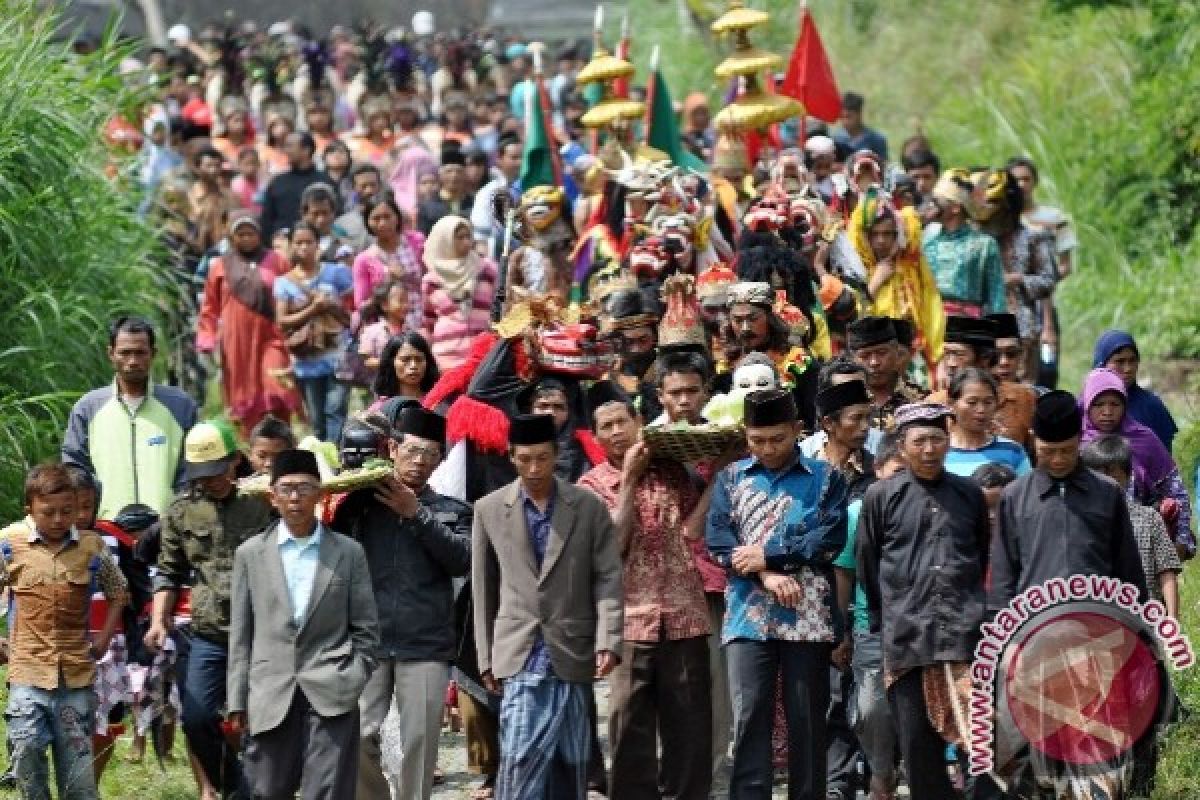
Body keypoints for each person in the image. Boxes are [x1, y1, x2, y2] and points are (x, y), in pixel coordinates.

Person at [471, 413, 624, 799]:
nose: (534, 468)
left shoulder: (588, 508)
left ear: (557, 454)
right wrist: (486, 656)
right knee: (520, 758)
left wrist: (609, 638)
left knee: (570, 761)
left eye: (542, 457)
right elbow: (483, 588)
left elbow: (607, 576)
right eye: (524, 459)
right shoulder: (489, 509)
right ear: (510, 456)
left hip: (573, 648)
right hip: (518, 650)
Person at [706, 389, 849, 799]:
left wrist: (768, 555)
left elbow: (828, 540)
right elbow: (719, 542)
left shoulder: (827, 479)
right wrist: (766, 575)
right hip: (746, 618)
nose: (767, 449)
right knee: (750, 716)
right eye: (757, 440)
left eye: (777, 439)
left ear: (796, 431)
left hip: (809, 619)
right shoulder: (730, 479)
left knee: (807, 719)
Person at [577, 382, 714, 800]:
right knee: (627, 723)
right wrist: (631, 479)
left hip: (684, 613)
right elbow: (612, 546)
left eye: (623, 421)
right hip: (629, 619)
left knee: (690, 726)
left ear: (639, 424)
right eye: (607, 426)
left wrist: (720, 474)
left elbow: (694, 527)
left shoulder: (673, 470)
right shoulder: (590, 486)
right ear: (597, 437)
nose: (617, 431)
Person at [331, 407, 471, 800]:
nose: (419, 461)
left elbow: (462, 559)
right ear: (392, 449)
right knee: (357, 734)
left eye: (430, 454)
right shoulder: (360, 506)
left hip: (425, 643)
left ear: (440, 460)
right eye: (412, 451)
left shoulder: (451, 511)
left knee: (419, 742)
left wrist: (416, 515)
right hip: (369, 641)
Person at [856, 402, 991, 800]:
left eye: (937, 439)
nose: (930, 449)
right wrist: (887, 620)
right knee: (918, 747)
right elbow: (869, 563)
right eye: (920, 441)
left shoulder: (968, 495)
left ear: (948, 441)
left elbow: (980, 555)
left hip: (964, 638)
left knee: (977, 740)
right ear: (902, 444)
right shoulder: (881, 496)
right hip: (907, 640)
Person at [227, 448, 379, 800]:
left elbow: (367, 629)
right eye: (287, 489)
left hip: (332, 688)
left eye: (305, 488)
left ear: (321, 495)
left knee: (327, 792)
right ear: (272, 496)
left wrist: (353, 675)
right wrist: (237, 698)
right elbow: (241, 633)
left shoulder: (348, 552)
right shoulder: (250, 554)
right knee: (266, 789)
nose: (295, 497)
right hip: (269, 692)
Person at [144, 420, 275, 799]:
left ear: (235, 460)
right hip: (209, 632)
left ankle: (261, 788)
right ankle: (236, 787)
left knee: (263, 722)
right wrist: (157, 621)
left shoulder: (263, 502)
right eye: (203, 474)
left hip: (262, 632)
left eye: (218, 470)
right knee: (197, 717)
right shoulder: (182, 512)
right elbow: (168, 571)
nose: (211, 480)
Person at [0, 463, 130, 800]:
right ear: (29, 508)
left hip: (75, 675)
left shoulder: (92, 548)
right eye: (49, 513)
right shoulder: (9, 544)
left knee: (78, 777)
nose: (59, 520)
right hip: (27, 672)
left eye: (67, 512)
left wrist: (103, 638)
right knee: (26, 751)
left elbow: (119, 591)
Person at [990, 390, 1149, 607]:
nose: (1058, 460)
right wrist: (1003, 632)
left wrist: (1139, 626)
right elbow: (1003, 576)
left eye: (1067, 451)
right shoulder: (1014, 497)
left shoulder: (1107, 493)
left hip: (1098, 622)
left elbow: (1129, 570)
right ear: (1034, 440)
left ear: (1080, 439)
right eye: (1048, 452)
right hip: (1035, 625)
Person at [63, 316, 198, 519]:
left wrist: (178, 513)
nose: (133, 361)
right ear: (111, 354)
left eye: (140, 353)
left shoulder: (180, 405)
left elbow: (192, 467)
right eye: (125, 353)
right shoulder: (88, 408)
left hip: (168, 529)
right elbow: (75, 468)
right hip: (105, 529)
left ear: (153, 354)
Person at [840, 434, 905, 800]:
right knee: (871, 708)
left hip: (919, 627)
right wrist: (842, 631)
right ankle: (881, 772)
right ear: (877, 470)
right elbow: (845, 572)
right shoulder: (857, 513)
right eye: (895, 472)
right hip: (871, 625)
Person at [195, 211, 300, 435]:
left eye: (250, 233)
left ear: (259, 233)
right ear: (232, 237)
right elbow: (209, 308)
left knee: (277, 388)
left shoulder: (277, 261)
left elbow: (294, 293)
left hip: (272, 335)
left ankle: (282, 439)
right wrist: (207, 338)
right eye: (240, 234)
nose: (246, 239)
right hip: (237, 342)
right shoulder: (220, 266)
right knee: (244, 395)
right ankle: (253, 449)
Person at [1080, 367, 1195, 558]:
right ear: (1087, 405)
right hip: (1089, 543)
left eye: (1115, 404)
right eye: (1099, 404)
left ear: (1125, 405)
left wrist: (1181, 540)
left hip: (1140, 543)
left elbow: (1176, 491)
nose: (1107, 411)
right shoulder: (1075, 443)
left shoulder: (1145, 440)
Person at [1081, 435, 1181, 617]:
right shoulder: (1080, 522)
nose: (1106, 484)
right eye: (1098, 477)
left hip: (1146, 618)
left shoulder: (1149, 518)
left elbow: (1167, 571)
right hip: (1099, 620)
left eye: (1114, 477)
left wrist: (1172, 621)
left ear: (1127, 478)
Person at [274, 222, 354, 443]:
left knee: (336, 411)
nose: (304, 247)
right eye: (298, 242)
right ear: (290, 246)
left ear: (318, 245)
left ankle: (336, 461)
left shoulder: (336, 273)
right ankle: (324, 463)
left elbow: (351, 310)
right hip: (306, 360)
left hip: (338, 356)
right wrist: (313, 309)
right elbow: (282, 321)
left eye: (309, 242)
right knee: (317, 418)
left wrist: (330, 306)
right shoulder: (283, 283)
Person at [846, 196, 945, 375]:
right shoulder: (854, 268)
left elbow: (931, 306)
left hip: (910, 352)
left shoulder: (912, 266)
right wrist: (875, 282)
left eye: (887, 234)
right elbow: (850, 315)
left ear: (897, 234)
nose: (881, 240)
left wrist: (938, 356)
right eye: (874, 234)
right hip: (871, 358)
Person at [923, 169, 1006, 318]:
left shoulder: (984, 245)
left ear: (955, 207)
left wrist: (1002, 334)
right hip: (931, 321)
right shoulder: (927, 241)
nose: (930, 206)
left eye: (936, 202)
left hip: (968, 325)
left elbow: (996, 294)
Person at [421, 215, 499, 370]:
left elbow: (499, 307)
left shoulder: (486, 269)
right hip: (446, 358)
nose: (466, 242)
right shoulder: (431, 280)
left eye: (468, 236)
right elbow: (428, 320)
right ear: (444, 240)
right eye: (459, 237)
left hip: (483, 356)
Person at [1092, 330, 1178, 453]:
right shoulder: (1086, 405)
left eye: (1132, 361)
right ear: (1101, 364)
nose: (1128, 369)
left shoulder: (1152, 406)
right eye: (1119, 361)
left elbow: (1165, 458)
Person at [352, 193, 426, 329]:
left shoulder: (416, 242)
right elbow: (361, 306)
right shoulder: (364, 260)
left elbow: (430, 280)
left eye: (387, 217)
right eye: (376, 218)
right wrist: (384, 289)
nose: (383, 223)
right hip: (387, 330)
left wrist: (405, 277)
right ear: (367, 222)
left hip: (422, 322)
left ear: (397, 217)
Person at [944, 368, 1032, 478]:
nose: (981, 409)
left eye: (988, 402)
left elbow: (1026, 492)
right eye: (972, 402)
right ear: (951, 404)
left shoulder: (1013, 451)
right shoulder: (939, 451)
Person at [845, 317, 925, 432]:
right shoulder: (843, 403)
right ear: (852, 360)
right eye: (865, 356)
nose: (874, 362)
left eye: (882, 353)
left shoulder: (921, 400)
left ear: (896, 352)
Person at [259, 131, 334, 240]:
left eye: (290, 146)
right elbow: (267, 219)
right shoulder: (278, 182)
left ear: (306, 150)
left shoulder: (324, 181)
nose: (286, 151)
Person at [812, 378, 877, 502]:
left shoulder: (876, 469)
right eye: (856, 418)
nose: (865, 426)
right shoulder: (806, 469)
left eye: (868, 417)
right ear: (828, 423)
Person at [985, 312, 1037, 448]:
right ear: (982, 358)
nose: (1003, 362)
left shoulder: (1036, 398)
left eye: (1011, 354)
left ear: (1021, 356)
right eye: (995, 355)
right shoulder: (960, 398)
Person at [417, 145, 475, 235]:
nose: (454, 176)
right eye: (449, 171)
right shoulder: (427, 207)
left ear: (465, 175)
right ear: (440, 175)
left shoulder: (474, 203)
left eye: (458, 171)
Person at [371, 333, 441, 406]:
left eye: (419, 359)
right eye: (405, 359)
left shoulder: (439, 404)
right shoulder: (381, 409)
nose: (413, 365)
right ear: (391, 363)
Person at [834, 92, 888, 161]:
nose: (845, 122)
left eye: (849, 117)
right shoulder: (837, 138)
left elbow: (883, 163)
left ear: (859, 114)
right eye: (841, 117)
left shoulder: (876, 139)